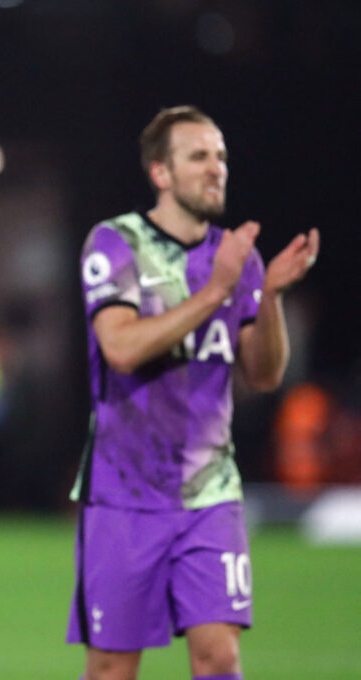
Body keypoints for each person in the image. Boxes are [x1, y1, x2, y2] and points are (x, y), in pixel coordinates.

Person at [67, 106, 319, 680]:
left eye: (222, 156)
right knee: (111, 667)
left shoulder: (238, 258)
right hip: (123, 493)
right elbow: (122, 348)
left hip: (210, 492)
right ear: (161, 172)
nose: (216, 168)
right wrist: (215, 293)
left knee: (219, 656)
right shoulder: (116, 242)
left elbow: (263, 373)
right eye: (199, 156)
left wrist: (270, 296)